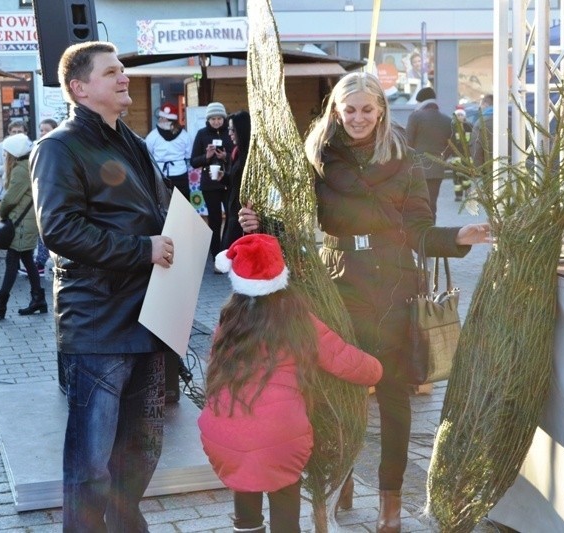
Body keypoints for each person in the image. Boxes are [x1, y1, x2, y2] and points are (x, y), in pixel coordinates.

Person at [238, 72, 490, 533]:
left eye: (366, 109)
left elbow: (417, 231)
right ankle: (337, 480)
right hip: (338, 284)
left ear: (381, 111)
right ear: (336, 110)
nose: (357, 118)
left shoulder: (406, 161)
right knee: (333, 388)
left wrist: (457, 236)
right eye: (348, 109)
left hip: (395, 284)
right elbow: (293, 222)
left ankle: (390, 503)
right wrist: (261, 220)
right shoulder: (316, 159)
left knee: (393, 394)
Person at [30, 41, 174, 532]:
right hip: (97, 324)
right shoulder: (58, 147)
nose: (124, 77)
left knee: (140, 453)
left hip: (146, 316)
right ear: (79, 87)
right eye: (112, 72)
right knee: (90, 464)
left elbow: (156, 213)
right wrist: (144, 250)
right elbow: (61, 231)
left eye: (123, 70)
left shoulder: (130, 141)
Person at [199, 233, 383, 533]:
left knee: (247, 473)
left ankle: (247, 525)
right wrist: (377, 370)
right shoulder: (298, 319)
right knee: (281, 483)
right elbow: (342, 359)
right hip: (281, 432)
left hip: (222, 430)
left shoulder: (228, 320)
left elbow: (212, 367)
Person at [0, 133, 47, 319]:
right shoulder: (32, 163)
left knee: (11, 262)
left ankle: (0, 303)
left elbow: (10, 198)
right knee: (27, 260)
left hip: (20, 223)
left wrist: (2, 213)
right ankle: (38, 299)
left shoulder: (21, 169)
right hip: (28, 221)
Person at [190, 101, 233, 264]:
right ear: (208, 120)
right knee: (214, 219)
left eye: (219, 118)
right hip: (210, 183)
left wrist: (226, 157)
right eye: (213, 119)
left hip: (228, 181)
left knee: (231, 217)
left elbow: (237, 156)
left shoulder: (230, 133)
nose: (216, 122)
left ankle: (228, 250)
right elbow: (194, 161)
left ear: (224, 118)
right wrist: (206, 157)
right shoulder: (202, 134)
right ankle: (215, 253)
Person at [405, 87, 453, 221]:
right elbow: (453, 146)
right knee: (432, 204)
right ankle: (431, 230)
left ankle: (419, 232)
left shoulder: (415, 117)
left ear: (420, 102)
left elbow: (408, 142)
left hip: (416, 168)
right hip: (437, 169)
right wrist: (442, 158)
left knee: (416, 202)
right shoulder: (447, 120)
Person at [19, 118, 58, 278]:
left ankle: (41, 263)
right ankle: (41, 262)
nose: (42, 133)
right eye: (41, 129)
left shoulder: (57, 146)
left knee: (50, 230)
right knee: (44, 230)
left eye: (46, 130)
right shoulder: (37, 145)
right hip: (41, 194)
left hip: (54, 195)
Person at [145, 101, 193, 201]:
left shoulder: (152, 136)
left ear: (166, 119)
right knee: (181, 203)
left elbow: (147, 155)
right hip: (176, 173)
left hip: (161, 174)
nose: (159, 120)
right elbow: (189, 155)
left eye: (161, 118)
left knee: (163, 203)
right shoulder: (184, 135)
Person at [221, 110, 251, 250]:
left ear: (242, 130)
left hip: (244, 214)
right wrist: (224, 177)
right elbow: (235, 182)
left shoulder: (250, 155)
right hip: (233, 210)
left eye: (233, 130)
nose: (230, 133)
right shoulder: (237, 152)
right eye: (229, 130)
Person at [0, 119, 28, 201]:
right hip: (5, 192)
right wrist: (8, 166)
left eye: (19, 132)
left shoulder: (30, 146)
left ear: (25, 133)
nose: (16, 134)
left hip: (24, 192)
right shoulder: (1, 146)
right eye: (14, 132)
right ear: (9, 132)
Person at [470, 94, 494, 185]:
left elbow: (476, 147)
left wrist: (478, 168)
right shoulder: (510, 120)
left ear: (486, 104)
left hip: (488, 168)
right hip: (510, 167)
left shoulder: (480, 123)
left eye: (481, 105)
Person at [450, 108, 473, 201]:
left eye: (461, 115)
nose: (460, 117)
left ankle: (468, 192)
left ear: (464, 116)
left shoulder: (469, 126)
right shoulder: (452, 128)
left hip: (467, 158)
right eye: (458, 115)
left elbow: (473, 141)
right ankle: (458, 195)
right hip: (456, 158)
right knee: (457, 178)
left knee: (467, 177)